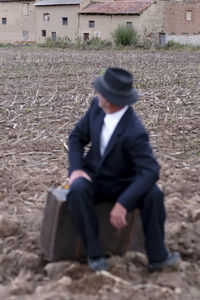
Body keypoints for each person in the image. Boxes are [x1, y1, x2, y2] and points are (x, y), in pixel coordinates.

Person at [66, 67, 180, 272]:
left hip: (124, 184)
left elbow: (150, 170)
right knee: (77, 189)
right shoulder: (96, 108)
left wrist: (123, 203)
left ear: (109, 99)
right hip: (95, 180)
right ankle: (94, 255)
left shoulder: (134, 131)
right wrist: (75, 169)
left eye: (100, 91)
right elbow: (76, 138)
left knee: (154, 194)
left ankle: (158, 257)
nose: (97, 94)